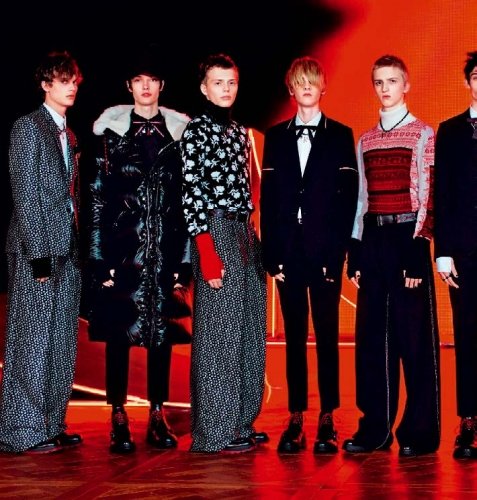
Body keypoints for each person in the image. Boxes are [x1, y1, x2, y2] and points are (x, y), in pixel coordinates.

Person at [87, 45, 191, 454]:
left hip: (164, 252)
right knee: (119, 333)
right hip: (122, 253)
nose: (145, 87)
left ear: (162, 86)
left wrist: (184, 261)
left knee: (160, 334)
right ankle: (118, 415)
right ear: (128, 86)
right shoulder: (110, 136)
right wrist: (98, 259)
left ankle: (156, 414)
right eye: (138, 80)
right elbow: (97, 200)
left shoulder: (179, 137)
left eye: (152, 80)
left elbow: (186, 204)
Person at [260, 56, 359, 454]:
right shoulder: (275, 137)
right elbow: (267, 201)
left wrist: (337, 255)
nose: (306, 86)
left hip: (325, 252)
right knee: (294, 336)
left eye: (312, 80)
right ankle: (296, 415)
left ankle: (328, 417)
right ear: (291, 88)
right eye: (300, 81)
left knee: (327, 335)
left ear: (322, 87)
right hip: (288, 251)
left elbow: (348, 201)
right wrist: (271, 256)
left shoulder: (340, 135)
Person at [343, 55, 441, 457]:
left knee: (414, 340)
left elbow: (430, 194)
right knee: (372, 340)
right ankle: (375, 430)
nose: (385, 88)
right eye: (379, 82)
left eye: (392, 81)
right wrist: (355, 249)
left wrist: (420, 247)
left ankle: (420, 432)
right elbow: (361, 199)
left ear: (406, 85)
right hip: (374, 239)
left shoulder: (423, 133)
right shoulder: (365, 140)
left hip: (407, 239)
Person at [180, 54, 268, 454]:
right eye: (218, 83)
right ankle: (214, 431)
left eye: (231, 82)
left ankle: (240, 420)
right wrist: (206, 251)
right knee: (219, 335)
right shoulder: (195, 131)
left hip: (244, 232)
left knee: (248, 330)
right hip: (214, 231)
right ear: (204, 88)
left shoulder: (237, 132)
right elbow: (192, 195)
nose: (226, 89)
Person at [0, 51, 83, 454]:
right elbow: (26, 195)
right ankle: (21, 430)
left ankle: (51, 423)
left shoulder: (68, 134)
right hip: (39, 249)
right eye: (63, 80)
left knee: (61, 340)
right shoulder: (27, 127)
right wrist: (38, 255)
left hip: (67, 248)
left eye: (74, 80)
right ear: (46, 84)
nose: (71, 87)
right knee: (31, 340)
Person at [434, 51, 477, 459]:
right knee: (466, 333)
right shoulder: (449, 132)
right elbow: (441, 195)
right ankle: (468, 419)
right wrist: (442, 252)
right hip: (463, 250)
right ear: (467, 82)